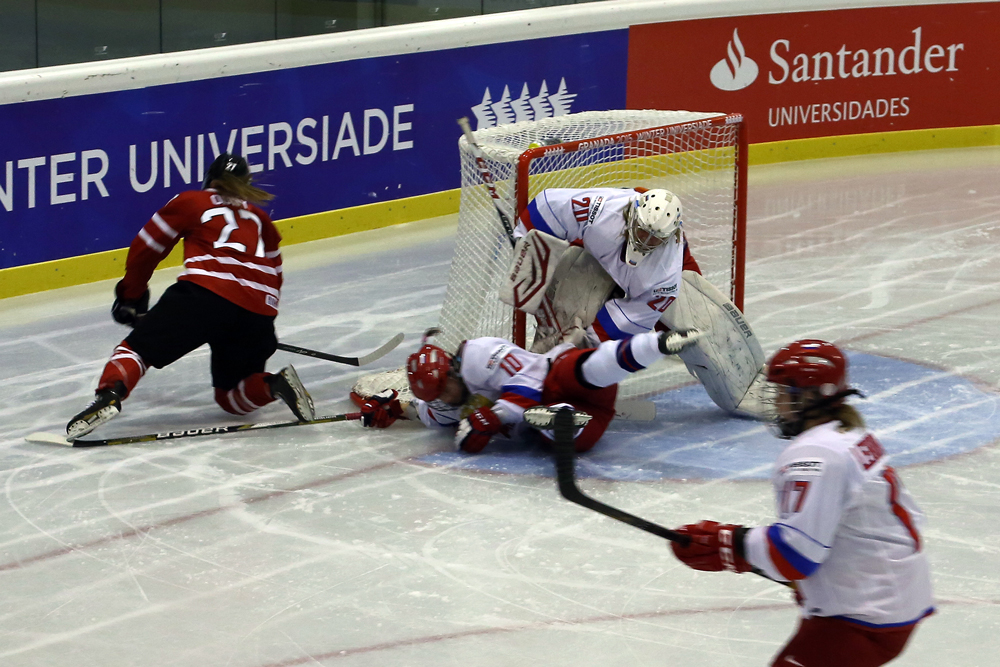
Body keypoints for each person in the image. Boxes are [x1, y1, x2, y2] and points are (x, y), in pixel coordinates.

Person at [669, 340, 933, 667]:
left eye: (783, 393)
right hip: (886, 600)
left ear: (810, 396)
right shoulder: (845, 435)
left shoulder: (816, 455)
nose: (776, 402)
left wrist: (727, 544)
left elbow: (795, 555)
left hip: (863, 617)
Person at [66, 153, 315, 439]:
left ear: (209, 179)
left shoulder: (192, 201)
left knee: (136, 351)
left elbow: (146, 247)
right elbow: (275, 273)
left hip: (203, 296)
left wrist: (131, 296)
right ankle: (275, 385)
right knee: (232, 396)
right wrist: (259, 325)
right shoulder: (260, 219)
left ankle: (109, 395)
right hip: (258, 310)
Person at [509, 186, 769, 417]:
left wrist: (581, 347)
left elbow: (619, 325)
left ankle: (742, 386)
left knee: (690, 330)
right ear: (632, 215)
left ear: (672, 236)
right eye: (642, 232)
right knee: (567, 309)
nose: (645, 241)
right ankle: (541, 376)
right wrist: (526, 246)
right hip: (594, 252)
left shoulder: (664, 275)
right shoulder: (601, 209)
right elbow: (545, 207)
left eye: (654, 238)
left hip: (657, 281)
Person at [358, 328, 701, 453]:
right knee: (569, 438)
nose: (447, 394)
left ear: (451, 366)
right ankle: (557, 421)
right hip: (582, 418)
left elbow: (530, 378)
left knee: (578, 371)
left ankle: (656, 345)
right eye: (438, 394)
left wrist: (496, 415)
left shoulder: (478, 354)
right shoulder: (439, 408)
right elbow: (421, 413)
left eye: (446, 383)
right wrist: (392, 408)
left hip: (557, 379)